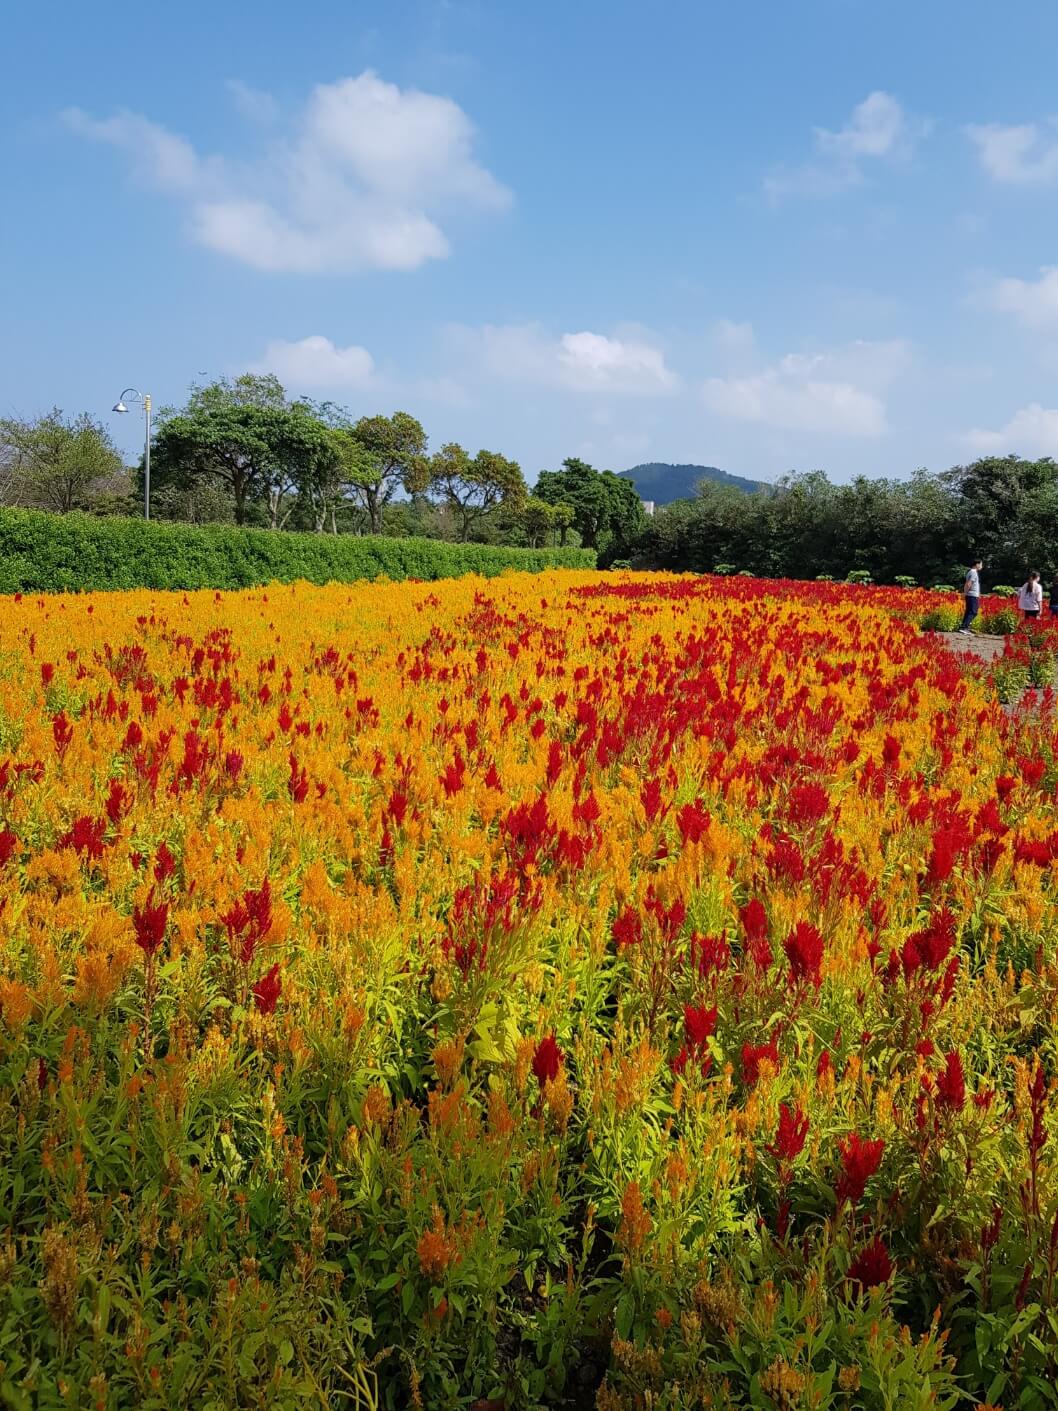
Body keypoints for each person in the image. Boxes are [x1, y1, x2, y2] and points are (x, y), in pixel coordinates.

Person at [957, 558, 982, 635]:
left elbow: (967, 584)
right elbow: (968, 584)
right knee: (973, 612)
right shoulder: (973, 572)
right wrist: (965, 593)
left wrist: (965, 593)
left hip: (971, 594)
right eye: (981, 564)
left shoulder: (970, 572)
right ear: (977, 564)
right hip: (972, 595)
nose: (981, 566)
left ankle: (963, 627)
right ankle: (964, 627)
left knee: (968, 611)